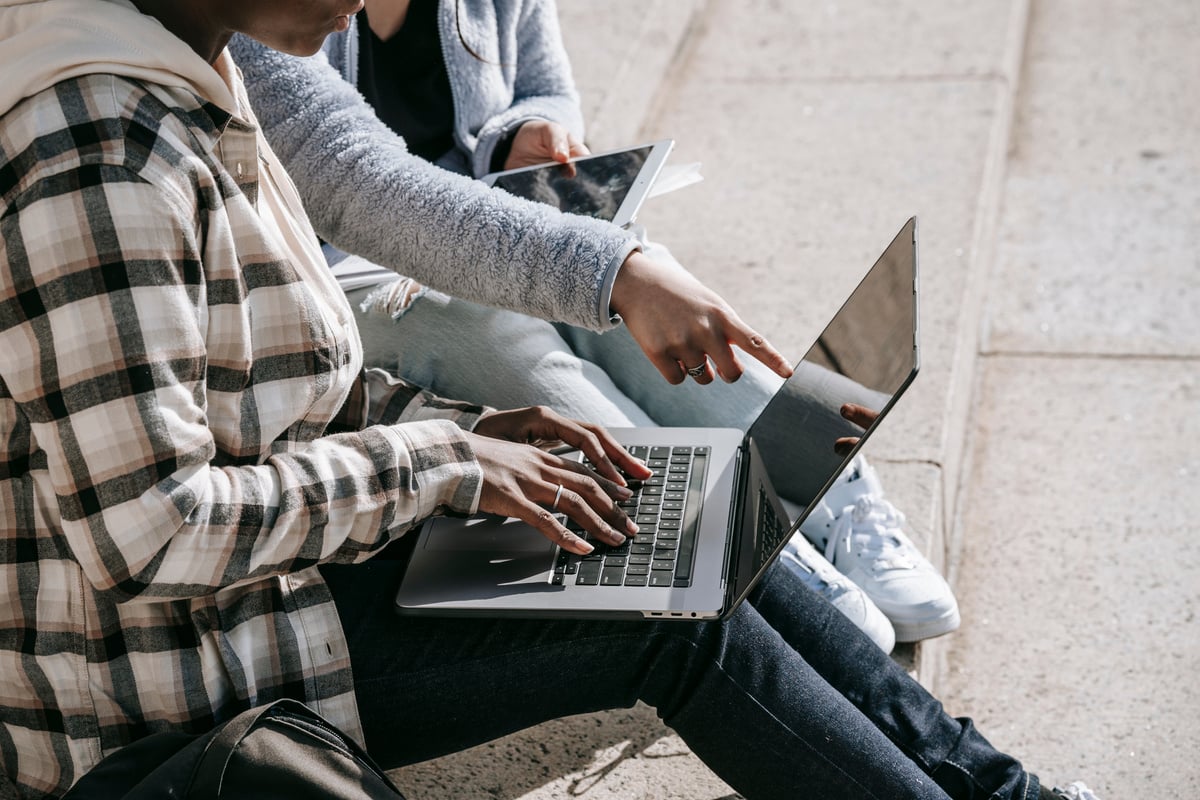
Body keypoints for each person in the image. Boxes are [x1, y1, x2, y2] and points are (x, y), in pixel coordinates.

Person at [0, 1, 1102, 799]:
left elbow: (272, 392)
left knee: (696, 515)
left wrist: (467, 432)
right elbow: (148, 529)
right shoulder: (102, 153)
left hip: (297, 574)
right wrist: (448, 462)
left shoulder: (198, 63)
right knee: (681, 624)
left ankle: (1005, 791)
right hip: (194, 659)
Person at [229, 0, 958, 649]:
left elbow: (546, 84)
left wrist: (524, 134)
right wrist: (613, 271)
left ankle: (825, 491)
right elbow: (351, 180)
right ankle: (734, 540)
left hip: (481, 211)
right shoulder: (266, 12)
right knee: (497, 325)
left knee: (636, 297)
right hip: (332, 276)